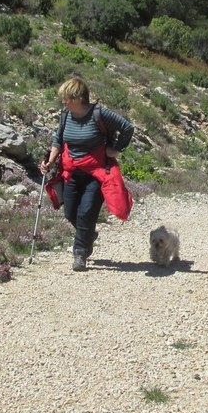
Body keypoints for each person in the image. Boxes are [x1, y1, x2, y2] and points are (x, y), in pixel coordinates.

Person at [39, 77, 135, 272]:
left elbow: (127, 128)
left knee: (86, 212)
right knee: (70, 212)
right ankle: (88, 234)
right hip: (72, 172)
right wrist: (50, 161)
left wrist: (115, 150)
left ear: (78, 98)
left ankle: (80, 253)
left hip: (96, 173)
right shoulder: (66, 115)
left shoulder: (99, 113)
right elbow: (58, 140)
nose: (63, 101)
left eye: (66, 98)